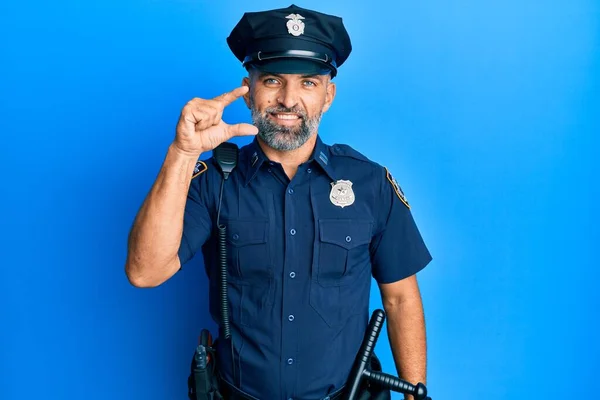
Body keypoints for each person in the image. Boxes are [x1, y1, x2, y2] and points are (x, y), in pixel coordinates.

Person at [125, 4, 432, 400]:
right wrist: (182, 154)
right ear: (249, 91)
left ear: (328, 96)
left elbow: (401, 297)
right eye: (272, 80)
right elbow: (145, 272)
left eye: (308, 83)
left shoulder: (369, 183)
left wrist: (414, 396)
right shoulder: (214, 180)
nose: (289, 99)